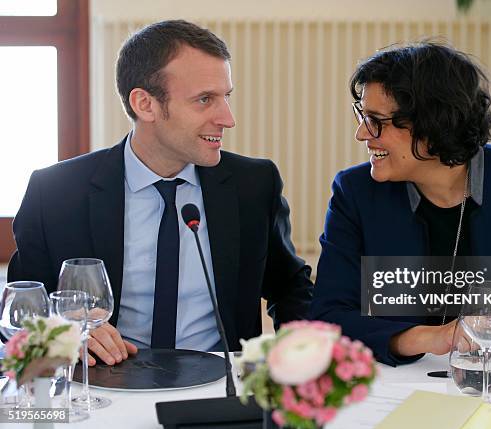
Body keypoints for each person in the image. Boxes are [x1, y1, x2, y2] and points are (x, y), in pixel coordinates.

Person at [9, 20, 313, 366]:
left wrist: (303, 359)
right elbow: (24, 312)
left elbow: (290, 287)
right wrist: (65, 331)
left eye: (225, 97)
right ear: (145, 104)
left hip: (220, 383)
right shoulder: (56, 193)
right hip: (103, 387)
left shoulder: (254, 184)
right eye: (204, 100)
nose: (227, 118)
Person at [310, 42, 491, 366]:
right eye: (362, 116)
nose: (362, 133)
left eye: (377, 120)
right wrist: (432, 337)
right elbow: (328, 318)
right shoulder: (355, 192)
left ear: (433, 123)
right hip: (402, 387)